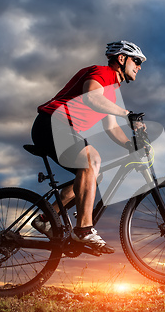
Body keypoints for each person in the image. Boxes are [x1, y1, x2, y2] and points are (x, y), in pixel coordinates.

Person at [30, 40, 146, 254]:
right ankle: (83, 229)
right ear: (121, 59)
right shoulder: (102, 72)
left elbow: (112, 128)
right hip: (51, 123)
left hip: (60, 129)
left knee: (94, 175)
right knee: (92, 159)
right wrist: (128, 115)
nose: (139, 67)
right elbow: (91, 97)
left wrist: (132, 146)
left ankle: (46, 219)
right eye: (137, 61)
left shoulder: (112, 92)